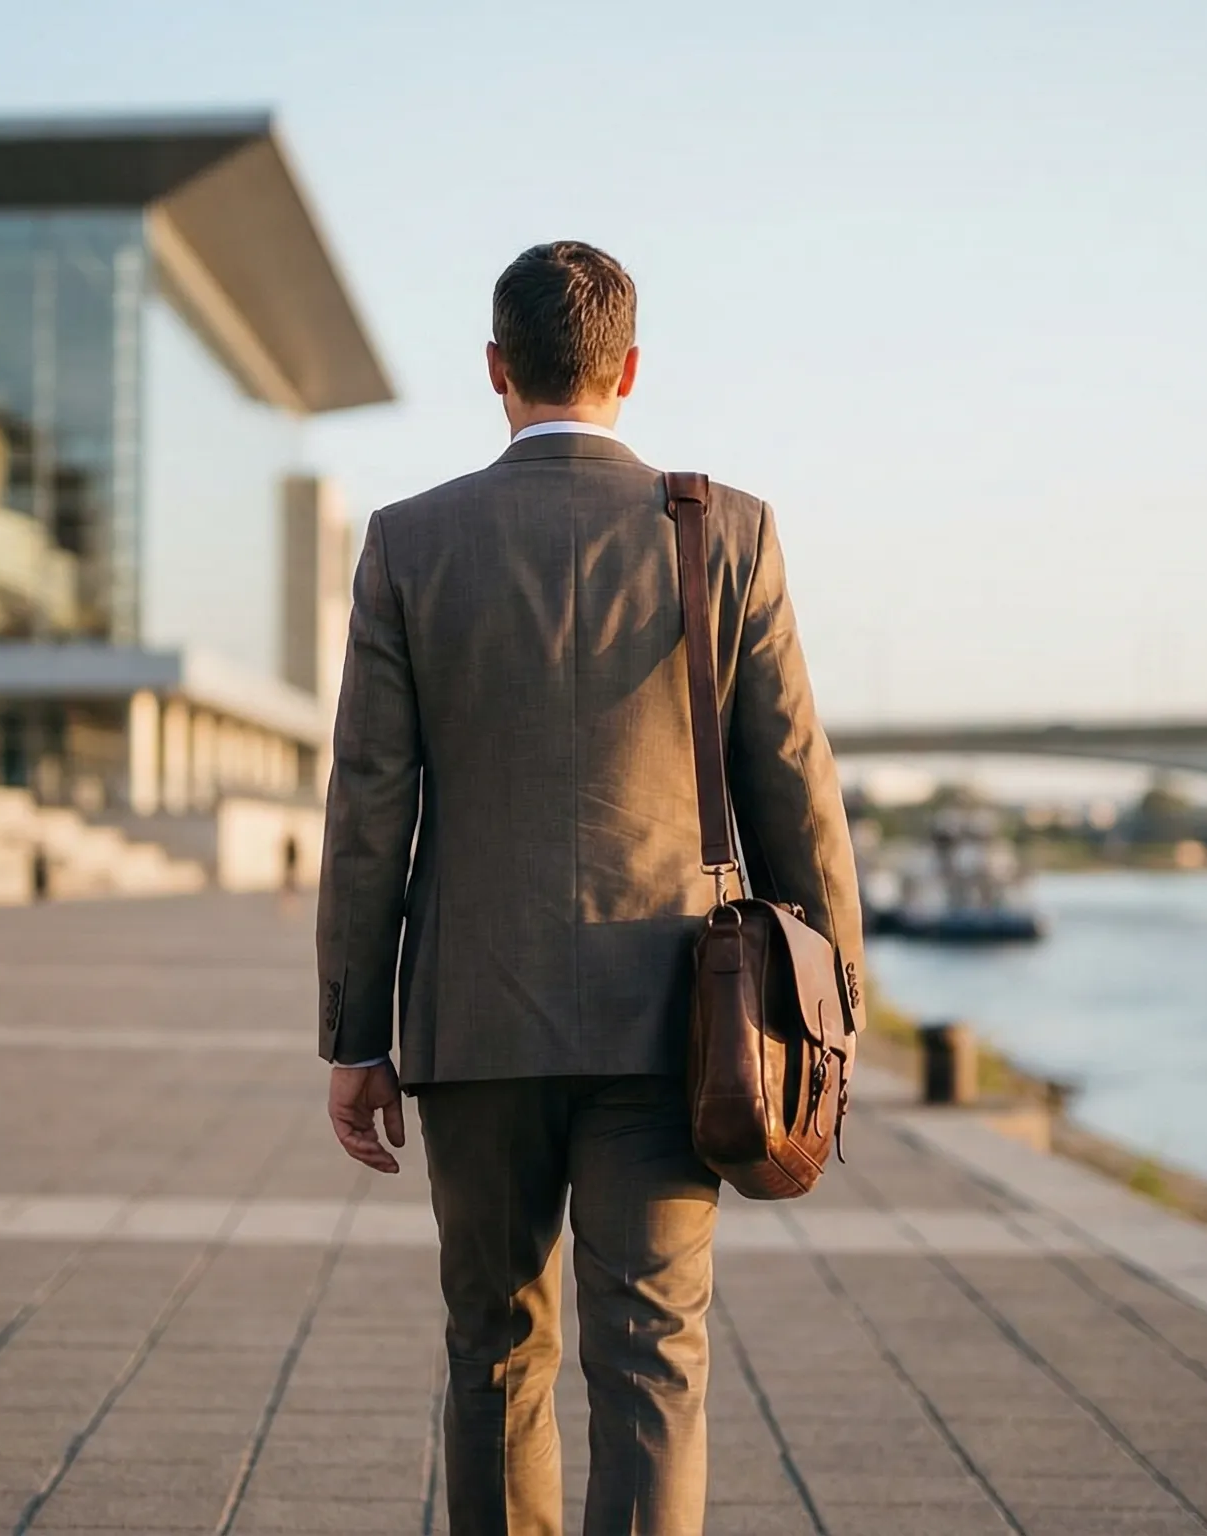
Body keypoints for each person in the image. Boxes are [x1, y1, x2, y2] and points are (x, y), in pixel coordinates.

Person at [315, 241, 862, 1536]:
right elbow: (795, 786)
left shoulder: (408, 544)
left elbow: (366, 811)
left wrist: (353, 1036)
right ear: (629, 370)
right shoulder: (728, 530)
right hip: (674, 1025)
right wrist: (833, 1015)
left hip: (474, 1023)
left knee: (494, 1352)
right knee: (654, 1359)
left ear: (496, 370)